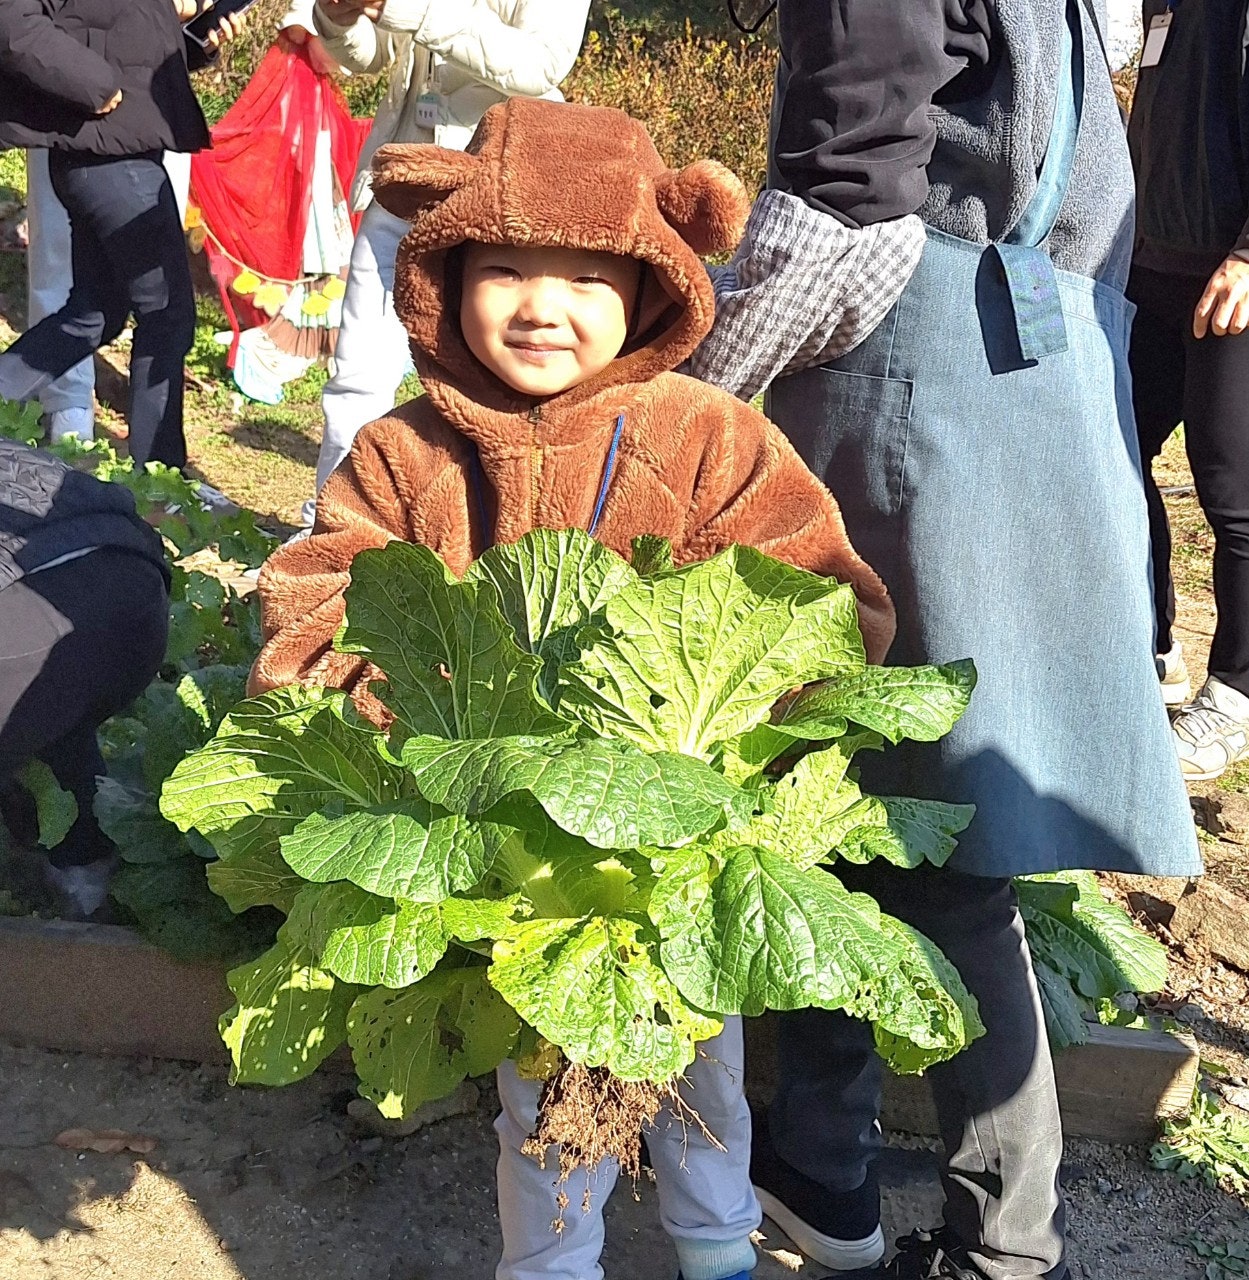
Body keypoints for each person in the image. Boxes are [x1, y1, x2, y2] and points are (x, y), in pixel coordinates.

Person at [247, 96, 898, 1280]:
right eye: (503, 270)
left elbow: (829, 604)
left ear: (653, 291)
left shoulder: (711, 438)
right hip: (514, 872)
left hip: (678, 858)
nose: (543, 308)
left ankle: (716, 1249)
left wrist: (736, 724)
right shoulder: (405, 452)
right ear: (441, 274)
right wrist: (410, 715)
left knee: (703, 1070)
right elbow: (311, 598)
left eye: (588, 280)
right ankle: (547, 1267)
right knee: (542, 1098)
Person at [691, 3, 1201, 1279]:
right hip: (1030, 377)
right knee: (868, 817)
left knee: (911, 837)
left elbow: (842, 205)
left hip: (912, 405)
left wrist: (684, 397)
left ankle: (1002, 1245)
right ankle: (828, 1174)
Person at [278, 0, 591, 532]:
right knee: (356, 373)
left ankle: (493, 545)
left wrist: (404, 6)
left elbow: (541, 64)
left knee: (493, 383)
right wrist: (340, 17)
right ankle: (332, 530)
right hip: (399, 187)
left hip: (494, 198)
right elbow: (374, 56)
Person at [0, 0, 242, 479]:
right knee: (167, 315)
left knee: (97, 311)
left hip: (119, 147)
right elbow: (14, 23)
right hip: (106, 153)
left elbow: (122, 35)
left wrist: (194, 38)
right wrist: (96, 84)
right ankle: (158, 484)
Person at [1126, 0, 1249, 780]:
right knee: (1112, 454)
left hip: (1230, 276)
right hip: (1150, 262)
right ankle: (1153, 645)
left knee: (1230, 490)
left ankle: (1234, 695)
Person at [0, 439, 169, 919]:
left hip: (27, 621)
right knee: (60, 723)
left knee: (40, 700)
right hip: (138, 589)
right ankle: (87, 880)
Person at [24, 148, 194, 446]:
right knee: (158, 313)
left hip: (140, 134)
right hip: (106, 134)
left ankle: (156, 474)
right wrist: (101, 97)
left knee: (100, 311)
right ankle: (153, 473)